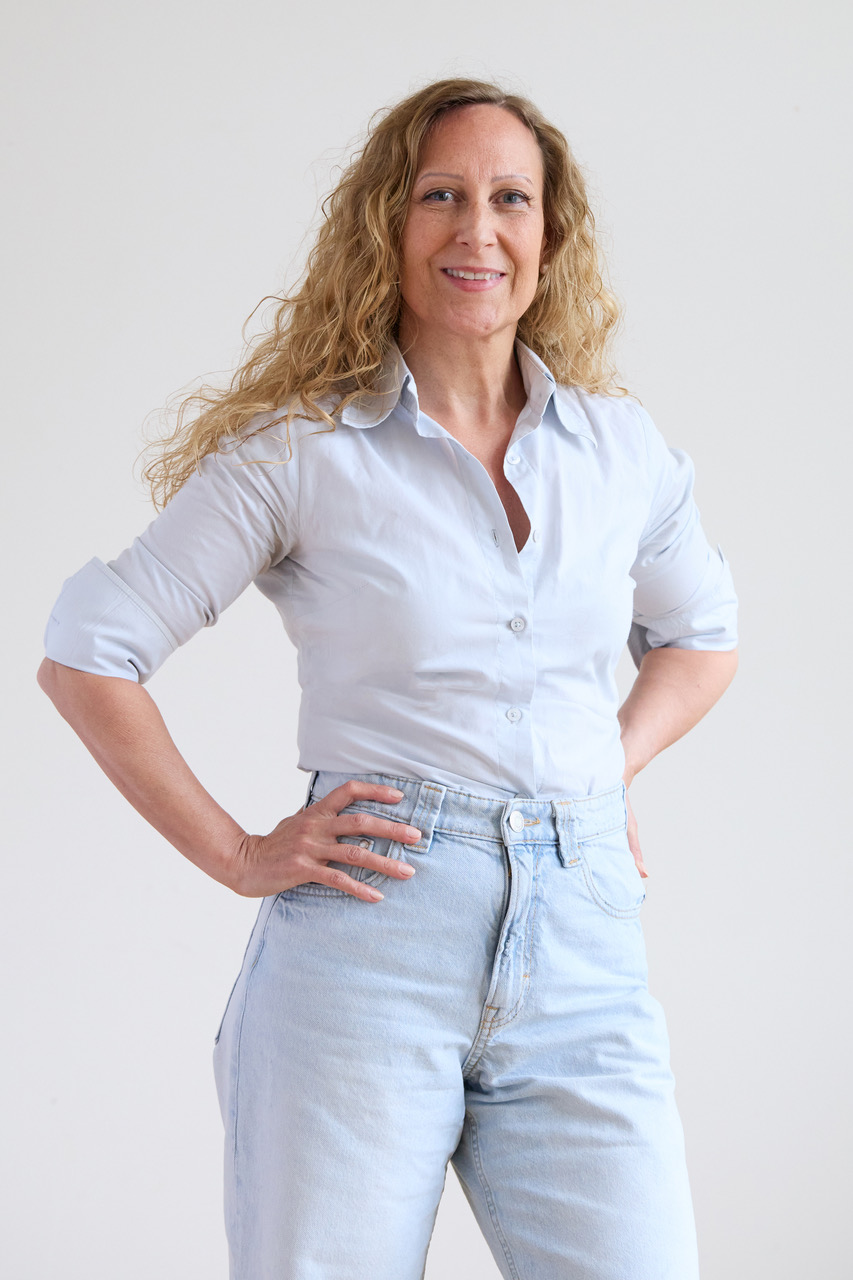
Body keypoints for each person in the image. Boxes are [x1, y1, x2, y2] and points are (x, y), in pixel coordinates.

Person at [38, 77, 738, 1280]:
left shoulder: (620, 450)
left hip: (585, 952)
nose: (478, 230)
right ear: (387, 224)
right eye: (440, 196)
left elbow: (703, 636)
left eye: (509, 199)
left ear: (550, 234)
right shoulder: (305, 449)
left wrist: (599, 764)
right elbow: (88, 649)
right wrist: (237, 852)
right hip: (370, 944)